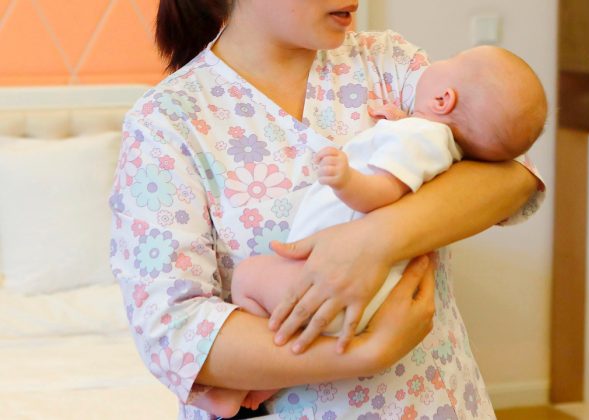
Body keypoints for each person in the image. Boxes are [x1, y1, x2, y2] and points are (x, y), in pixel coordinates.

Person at [109, 1, 545, 419]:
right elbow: (174, 333)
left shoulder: (385, 61)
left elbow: (513, 174)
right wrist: (367, 351)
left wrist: (372, 242)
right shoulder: (167, 123)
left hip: (438, 401)